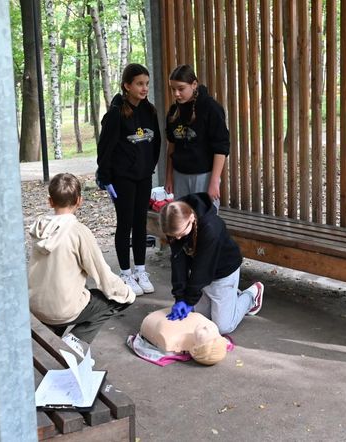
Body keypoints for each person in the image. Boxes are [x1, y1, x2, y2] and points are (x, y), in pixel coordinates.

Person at [28, 173, 136, 355]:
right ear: (79, 201)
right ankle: (75, 341)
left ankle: (54, 332)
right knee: (112, 301)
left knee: (73, 292)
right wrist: (127, 293)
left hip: (36, 305)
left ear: (50, 201)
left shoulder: (39, 228)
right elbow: (102, 275)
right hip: (62, 309)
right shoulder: (78, 232)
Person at [96, 63, 161, 296]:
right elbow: (105, 149)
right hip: (122, 179)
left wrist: (149, 167)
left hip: (143, 177)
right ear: (127, 86)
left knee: (140, 223)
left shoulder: (149, 111)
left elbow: (156, 143)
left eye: (146, 84)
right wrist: (105, 178)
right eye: (139, 84)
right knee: (125, 224)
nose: (144, 88)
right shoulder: (116, 114)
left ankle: (140, 270)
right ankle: (125, 273)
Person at [159, 193, 264, 335]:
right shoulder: (173, 222)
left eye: (181, 234)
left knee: (222, 327)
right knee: (204, 321)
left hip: (223, 271)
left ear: (191, 218)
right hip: (202, 274)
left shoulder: (210, 228)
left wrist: (189, 301)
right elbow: (178, 261)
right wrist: (180, 298)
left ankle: (252, 295)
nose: (177, 238)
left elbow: (202, 269)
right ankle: (231, 297)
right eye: (174, 236)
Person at [164, 64, 229, 205]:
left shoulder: (211, 109)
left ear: (194, 85)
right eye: (173, 89)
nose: (176, 94)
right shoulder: (173, 111)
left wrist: (214, 182)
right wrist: (169, 176)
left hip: (204, 176)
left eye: (181, 89)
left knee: (205, 222)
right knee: (183, 223)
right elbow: (171, 145)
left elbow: (221, 149)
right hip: (179, 175)